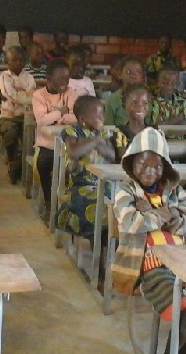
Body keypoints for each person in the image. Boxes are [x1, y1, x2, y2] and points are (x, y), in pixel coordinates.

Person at [110, 128, 186, 354]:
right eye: (142, 164)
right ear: (131, 163)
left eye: (156, 165)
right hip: (150, 266)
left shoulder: (175, 191)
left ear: (165, 167)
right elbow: (130, 223)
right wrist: (165, 214)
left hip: (183, 264)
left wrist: (171, 214)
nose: (149, 171)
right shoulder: (125, 190)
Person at [55, 95, 115, 237]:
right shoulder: (72, 131)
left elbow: (112, 155)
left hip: (106, 181)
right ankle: (94, 236)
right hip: (82, 183)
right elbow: (74, 152)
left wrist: (97, 141)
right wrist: (95, 141)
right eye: (98, 115)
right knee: (92, 203)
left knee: (121, 201)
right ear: (83, 119)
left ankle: (107, 237)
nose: (102, 118)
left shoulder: (104, 133)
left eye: (103, 114)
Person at [33, 59, 77, 214]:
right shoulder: (39, 95)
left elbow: (76, 117)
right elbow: (41, 121)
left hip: (68, 144)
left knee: (75, 167)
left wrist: (54, 117)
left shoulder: (71, 93)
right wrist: (61, 111)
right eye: (60, 78)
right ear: (49, 78)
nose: (65, 82)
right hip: (47, 144)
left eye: (67, 78)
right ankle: (49, 202)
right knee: (43, 164)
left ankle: (68, 205)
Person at [0, 45, 36, 183]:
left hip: (27, 115)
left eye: (21, 60)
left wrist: (20, 96)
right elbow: (10, 94)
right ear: (7, 62)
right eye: (14, 60)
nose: (18, 63)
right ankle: (13, 161)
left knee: (31, 139)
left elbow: (33, 95)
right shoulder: (4, 77)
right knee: (11, 134)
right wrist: (24, 95)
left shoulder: (29, 77)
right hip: (9, 115)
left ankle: (20, 164)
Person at [113, 84, 151, 159]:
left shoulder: (154, 131)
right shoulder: (120, 132)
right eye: (135, 103)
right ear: (124, 106)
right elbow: (125, 157)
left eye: (145, 103)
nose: (140, 107)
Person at [104, 56, 145, 125]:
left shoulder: (148, 99)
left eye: (138, 72)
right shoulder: (112, 100)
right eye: (128, 72)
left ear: (142, 77)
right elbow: (108, 126)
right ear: (120, 74)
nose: (133, 76)